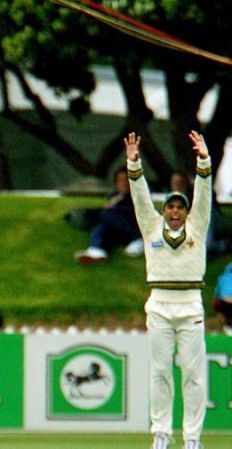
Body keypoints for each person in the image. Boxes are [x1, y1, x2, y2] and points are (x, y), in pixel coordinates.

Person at [125, 131, 209, 449]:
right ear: (165, 210)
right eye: (170, 207)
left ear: (186, 212)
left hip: (190, 307)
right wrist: (134, 164)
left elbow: (203, 196)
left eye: (180, 208)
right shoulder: (151, 226)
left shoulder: (197, 225)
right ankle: (161, 433)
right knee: (160, 371)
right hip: (159, 305)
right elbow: (140, 198)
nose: (175, 212)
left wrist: (204, 160)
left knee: (193, 375)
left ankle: (192, 439)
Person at [73, 168, 142, 263]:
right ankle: (98, 251)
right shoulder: (114, 196)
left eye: (127, 180)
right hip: (118, 231)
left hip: (134, 229)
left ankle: (137, 239)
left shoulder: (138, 197)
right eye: (121, 181)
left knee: (105, 215)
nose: (124, 183)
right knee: (103, 226)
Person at [213, 263, 232, 329]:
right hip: (226, 303)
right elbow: (226, 297)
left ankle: (225, 326)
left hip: (224, 302)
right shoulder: (225, 278)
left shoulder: (223, 277)